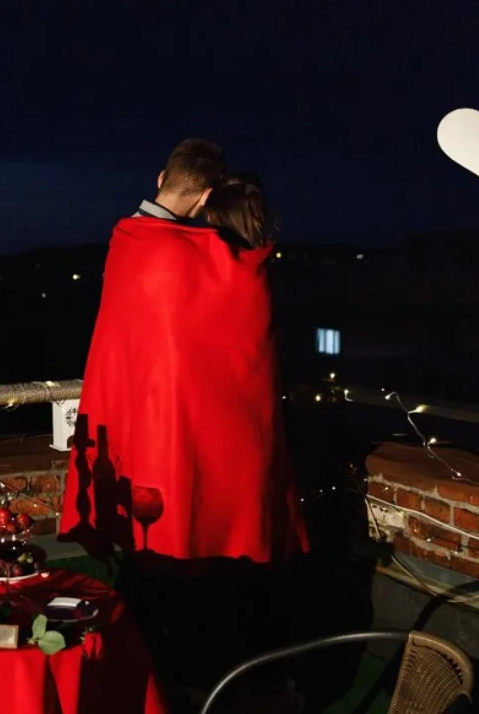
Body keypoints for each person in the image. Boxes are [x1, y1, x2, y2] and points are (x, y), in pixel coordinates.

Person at [59, 142, 308, 564]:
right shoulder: (208, 257)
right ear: (208, 195)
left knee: (153, 562)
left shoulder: (126, 241)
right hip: (220, 448)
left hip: (143, 433)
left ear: (161, 178)